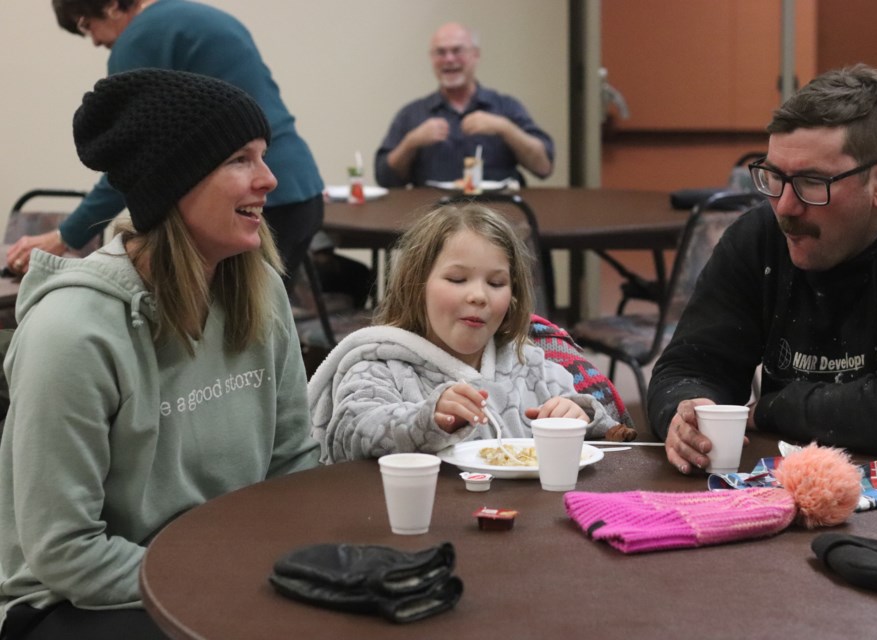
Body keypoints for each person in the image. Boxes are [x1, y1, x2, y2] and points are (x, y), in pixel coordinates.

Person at [0, 69, 319, 639]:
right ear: (175, 183)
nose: (269, 179)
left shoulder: (260, 288)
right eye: (240, 160)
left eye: (263, 156)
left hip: (225, 570)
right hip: (77, 599)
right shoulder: (70, 334)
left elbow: (293, 461)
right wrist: (231, 577)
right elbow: (65, 551)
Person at [647, 64, 877, 474]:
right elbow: (688, 366)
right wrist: (687, 411)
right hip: (788, 492)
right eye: (774, 177)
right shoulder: (759, 239)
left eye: (813, 182)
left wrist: (775, 408)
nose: (785, 208)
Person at [6, 0, 325, 291]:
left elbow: (134, 163)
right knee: (259, 327)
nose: (96, 41)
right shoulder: (206, 18)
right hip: (301, 189)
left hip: (251, 203)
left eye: (87, 25)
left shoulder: (138, 39)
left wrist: (64, 236)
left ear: (114, 5)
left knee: (225, 334)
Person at [307, 204, 617, 463]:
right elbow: (352, 434)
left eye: (496, 284)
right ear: (416, 286)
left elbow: (611, 436)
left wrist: (581, 417)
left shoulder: (533, 367)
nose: (479, 296)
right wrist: (426, 420)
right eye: (457, 279)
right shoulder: (377, 366)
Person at [375, 22, 554, 188]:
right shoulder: (413, 114)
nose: (449, 59)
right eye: (440, 52)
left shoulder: (505, 107)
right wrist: (410, 143)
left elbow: (544, 167)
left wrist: (505, 129)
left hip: (497, 214)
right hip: (434, 216)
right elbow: (384, 178)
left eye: (457, 50)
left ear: (475, 55)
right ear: (431, 58)